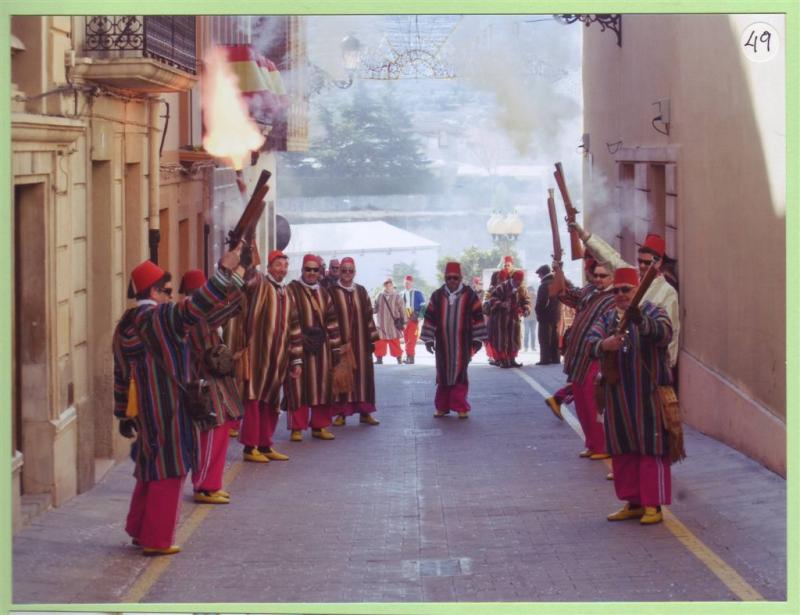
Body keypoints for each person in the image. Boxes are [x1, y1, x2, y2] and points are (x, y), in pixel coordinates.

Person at [113, 245, 244, 556]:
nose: (172, 297)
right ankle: (157, 539)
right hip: (168, 407)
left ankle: (138, 529)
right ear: (154, 291)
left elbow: (120, 373)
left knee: (149, 469)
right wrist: (224, 272)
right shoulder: (158, 318)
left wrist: (122, 413)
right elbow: (196, 307)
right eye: (167, 291)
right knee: (169, 471)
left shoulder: (126, 323)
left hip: (144, 409)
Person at [586, 267, 674, 525]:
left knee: (651, 449)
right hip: (618, 398)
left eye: (626, 289)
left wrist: (640, 322)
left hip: (648, 395)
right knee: (623, 451)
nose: (621, 294)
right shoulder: (607, 317)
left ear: (637, 289)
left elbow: (664, 334)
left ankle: (652, 506)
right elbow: (589, 342)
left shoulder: (654, 311)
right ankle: (633, 502)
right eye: (617, 290)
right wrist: (604, 344)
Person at [571, 223, 680, 372]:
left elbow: (669, 332)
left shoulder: (668, 291)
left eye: (647, 262)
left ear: (659, 262)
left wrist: (667, 364)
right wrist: (585, 236)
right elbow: (609, 258)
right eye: (639, 261)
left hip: (649, 363)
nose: (641, 265)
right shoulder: (631, 278)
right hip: (623, 359)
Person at [227, 250, 302, 463]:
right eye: (278, 265)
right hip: (257, 357)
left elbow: (295, 327)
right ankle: (250, 448)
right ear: (269, 267)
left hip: (278, 360)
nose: (282, 270)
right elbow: (246, 278)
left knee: (271, 403)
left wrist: (296, 359)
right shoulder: (259, 284)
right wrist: (245, 251)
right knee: (254, 400)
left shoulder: (287, 293)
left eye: (285, 266)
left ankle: (265, 444)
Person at [179, 269, 245, 504]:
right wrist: (237, 276)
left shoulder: (196, 314)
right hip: (207, 384)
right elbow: (232, 305)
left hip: (213, 382)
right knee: (211, 436)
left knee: (220, 432)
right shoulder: (198, 316)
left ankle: (212, 484)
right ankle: (204, 486)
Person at [548, 260, 616, 460]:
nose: (598, 279)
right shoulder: (589, 291)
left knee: (594, 402)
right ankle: (592, 444)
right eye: (596, 275)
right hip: (578, 356)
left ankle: (603, 446)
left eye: (603, 276)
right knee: (581, 403)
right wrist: (559, 270)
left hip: (597, 357)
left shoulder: (613, 298)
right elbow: (567, 293)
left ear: (612, 277)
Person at [284, 254, 342, 442]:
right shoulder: (291, 290)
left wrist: (335, 349)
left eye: (314, 270)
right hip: (298, 345)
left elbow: (333, 322)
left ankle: (320, 425)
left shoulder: (325, 294)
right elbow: (285, 320)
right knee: (298, 386)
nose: (311, 273)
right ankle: (297, 427)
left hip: (322, 349)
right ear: (302, 270)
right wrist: (297, 340)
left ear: (320, 272)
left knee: (322, 385)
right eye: (307, 269)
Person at [420, 262, 487, 418]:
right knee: (442, 374)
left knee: (460, 374)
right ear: (445, 278)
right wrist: (429, 339)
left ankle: (460, 406)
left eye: (455, 278)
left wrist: (477, 339)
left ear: (460, 278)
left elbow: (478, 317)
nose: (452, 281)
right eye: (449, 278)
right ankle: (442, 407)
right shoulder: (437, 295)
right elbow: (429, 317)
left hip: (463, 345)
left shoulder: (470, 295)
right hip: (442, 345)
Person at [329, 257, 381, 426]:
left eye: (350, 270)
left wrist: (372, 340)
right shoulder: (332, 291)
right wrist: (334, 342)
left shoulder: (361, 291)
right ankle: (342, 413)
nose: (347, 274)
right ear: (339, 271)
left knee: (363, 377)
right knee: (343, 377)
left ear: (355, 272)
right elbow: (328, 319)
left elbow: (368, 317)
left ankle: (365, 413)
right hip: (341, 344)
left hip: (361, 344)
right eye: (344, 270)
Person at [487, 269, 531, 367]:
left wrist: (525, 309)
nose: (518, 283)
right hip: (501, 320)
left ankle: (512, 359)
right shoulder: (501, 287)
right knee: (502, 340)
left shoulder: (522, 289)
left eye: (520, 281)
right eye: (516, 281)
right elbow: (492, 300)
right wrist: (502, 304)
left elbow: (527, 301)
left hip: (515, 320)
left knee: (514, 339)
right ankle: (503, 360)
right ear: (512, 279)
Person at [373, 278, 405, 364]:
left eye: (389, 284)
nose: (388, 285)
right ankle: (379, 359)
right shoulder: (379, 295)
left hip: (392, 325)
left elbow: (402, 310)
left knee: (395, 342)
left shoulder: (397, 296)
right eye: (386, 284)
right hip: (381, 324)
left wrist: (403, 321)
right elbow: (375, 308)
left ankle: (399, 359)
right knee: (379, 342)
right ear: (384, 285)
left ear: (392, 285)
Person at [534, 264, 561, 365]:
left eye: (539, 275)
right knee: (555, 338)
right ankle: (555, 358)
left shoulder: (544, 285)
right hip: (556, 315)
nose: (539, 277)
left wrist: (538, 312)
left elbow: (541, 303)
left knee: (544, 338)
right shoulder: (555, 283)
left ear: (542, 274)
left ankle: (545, 359)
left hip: (545, 316)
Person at [401, 275, 426, 364]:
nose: (407, 284)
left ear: (412, 283)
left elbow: (423, 305)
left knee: (412, 338)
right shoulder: (401, 293)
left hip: (414, 317)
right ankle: (409, 357)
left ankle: (410, 358)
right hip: (405, 319)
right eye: (405, 283)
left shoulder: (417, 293)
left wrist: (420, 316)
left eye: (408, 283)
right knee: (406, 338)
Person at [522, 281, 538, 352]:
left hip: (527, 317)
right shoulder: (536, 296)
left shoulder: (526, 296)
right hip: (534, 317)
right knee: (533, 332)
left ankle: (526, 347)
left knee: (526, 332)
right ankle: (533, 347)